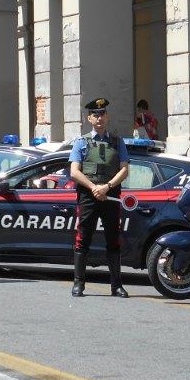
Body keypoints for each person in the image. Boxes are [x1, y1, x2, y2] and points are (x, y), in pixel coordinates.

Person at [69, 97, 131, 298]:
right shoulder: (81, 142)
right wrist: (94, 187)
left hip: (110, 195)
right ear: (89, 118)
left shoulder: (118, 142)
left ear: (107, 116)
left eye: (102, 113)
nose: (99, 118)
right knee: (83, 238)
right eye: (95, 114)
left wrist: (107, 187)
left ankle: (116, 286)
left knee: (113, 239)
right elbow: (74, 171)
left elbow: (124, 170)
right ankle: (79, 284)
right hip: (89, 195)